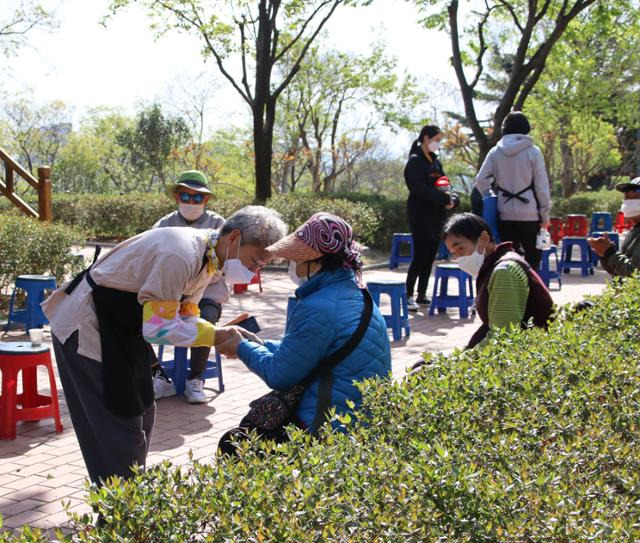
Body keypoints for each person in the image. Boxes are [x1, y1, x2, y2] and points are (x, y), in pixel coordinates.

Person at [42, 206, 287, 485]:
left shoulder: (208, 260)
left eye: (261, 266)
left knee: (143, 413)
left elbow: (185, 315)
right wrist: (218, 336)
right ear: (233, 239)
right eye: (255, 260)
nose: (254, 271)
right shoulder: (180, 253)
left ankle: (127, 506)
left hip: (125, 332)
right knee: (118, 426)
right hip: (88, 328)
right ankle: (116, 514)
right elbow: (160, 327)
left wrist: (226, 334)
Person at [215, 212, 392, 456]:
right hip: (359, 423)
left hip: (327, 429)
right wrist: (259, 343)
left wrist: (241, 347)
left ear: (316, 261)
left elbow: (280, 375)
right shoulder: (357, 293)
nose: (294, 267)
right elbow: (310, 352)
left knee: (234, 446)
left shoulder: (318, 307)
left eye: (296, 259)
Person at [150, 170, 228, 403]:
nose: (191, 202)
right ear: (177, 198)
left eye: (197, 198)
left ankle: (196, 379)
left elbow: (223, 264)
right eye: (186, 196)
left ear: (206, 200)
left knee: (205, 322)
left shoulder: (218, 224)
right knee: (138, 321)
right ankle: (159, 375)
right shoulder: (164, 224)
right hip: (168, 295)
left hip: (208, 294)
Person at [443, 212, 553, 349]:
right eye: (454, 253)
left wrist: (458, 362)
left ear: (483, 238)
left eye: (460, 248)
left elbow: (502, 336)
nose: (459, 258)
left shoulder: (504, 271)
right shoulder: (495, 265)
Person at [475, 111, 551, 270]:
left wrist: (490, 198)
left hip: (504, 212)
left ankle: (511, 291)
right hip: (529, 213)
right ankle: (530, 292)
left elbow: (481, 180)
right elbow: (541, 186)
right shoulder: (533, 151)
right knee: (533, 259)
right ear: (526, 128)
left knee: (507, 259)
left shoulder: (495, 152)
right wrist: (544, 214)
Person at [404, 124, 458, 311]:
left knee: (430, 256)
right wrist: (442, 198)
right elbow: (419, 189)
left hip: (437, 217)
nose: (438, 143)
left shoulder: (435, 162)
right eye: (436, 139)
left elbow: (445, 184)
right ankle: (408, 294)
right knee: (420, 255)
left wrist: (452, 198)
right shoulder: (414, 161)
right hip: (420, 215)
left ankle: (421, 293)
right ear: (426, 138)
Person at [589, 177, 640, 276]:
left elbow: (635, 273)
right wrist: (605, 254)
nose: (628, 201)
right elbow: (618, 272)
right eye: (626, 196)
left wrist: (610, 254)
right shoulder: (635, 230)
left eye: (635, 193)